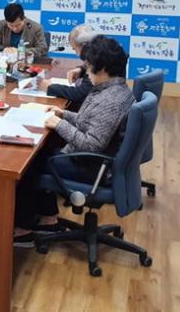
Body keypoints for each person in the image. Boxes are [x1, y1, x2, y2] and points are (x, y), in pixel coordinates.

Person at [13, 35, 135, 247]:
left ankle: (23, 230)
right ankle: (49, 219)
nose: (86, 71)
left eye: (89, 66)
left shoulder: (110, 101)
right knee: (42, 152)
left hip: (93, 167)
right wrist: (63, 114)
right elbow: (91, 121)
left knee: (29, 164)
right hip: (98, 160)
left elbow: (92, 143)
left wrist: (59, 124)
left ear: (102, 68)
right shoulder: (113, 89)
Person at [38, 24, 97, 105]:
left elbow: (81, 94)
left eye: (74, 49)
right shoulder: (100, 53)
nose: (76, 54)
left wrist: (50, 88)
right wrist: (81, 70)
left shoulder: (97, 62)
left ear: (84, 46)